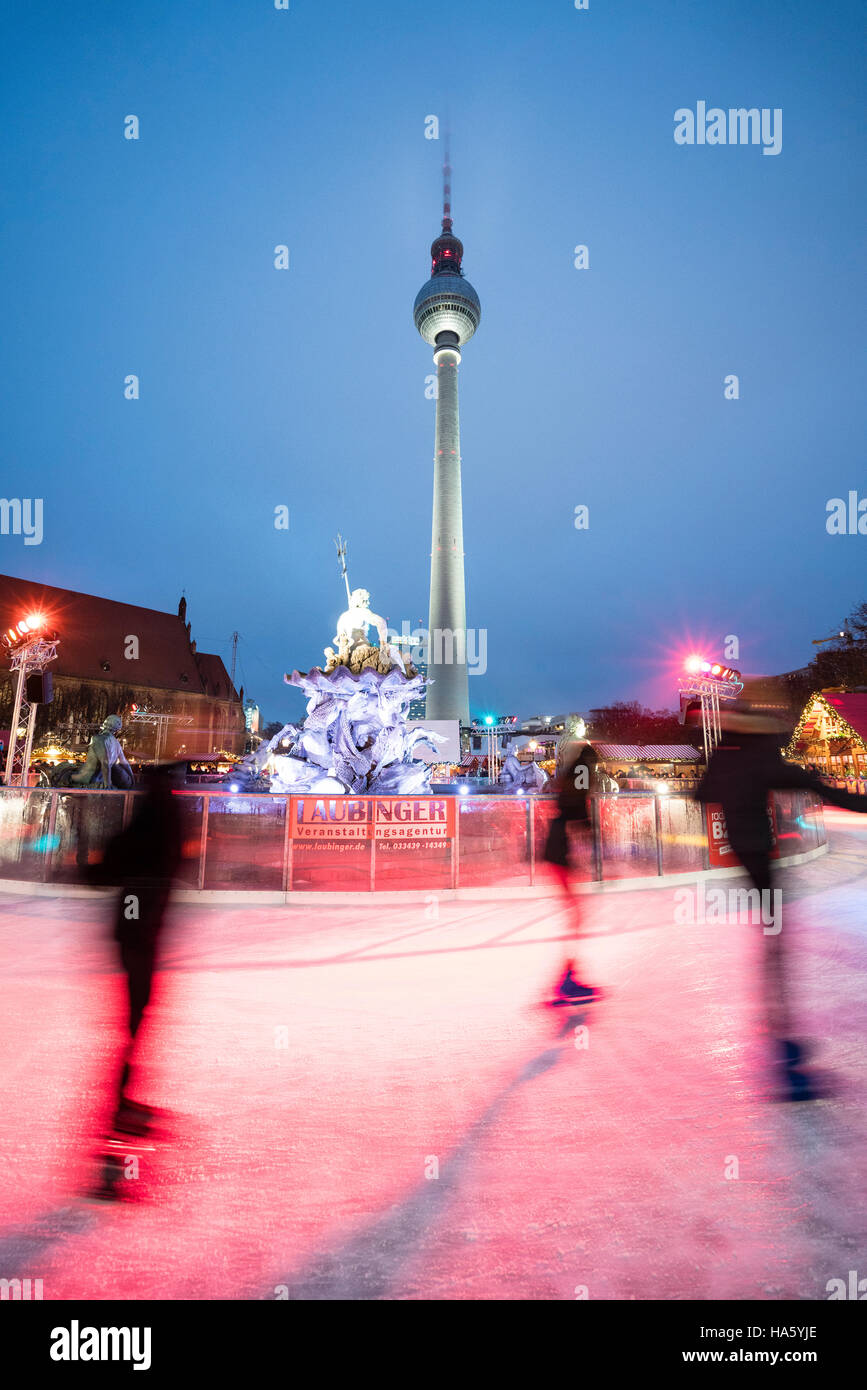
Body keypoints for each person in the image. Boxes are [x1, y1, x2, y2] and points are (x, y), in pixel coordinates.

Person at [696, 704, 867, 1100]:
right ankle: (781, 1037)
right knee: (776, 948)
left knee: (773, 942)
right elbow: (815, 787)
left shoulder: (727, 755)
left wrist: (729, 792)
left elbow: (700, 794)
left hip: (746, 855)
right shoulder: (759, 756)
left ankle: (778, 1030)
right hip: (760, 858)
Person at [89, 763, 184, 1132]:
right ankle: (120, 1105)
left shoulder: (154, 816)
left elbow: (118, 861)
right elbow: (133, 861)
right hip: (140, 930)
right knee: (135, 1017)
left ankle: (123, 1101)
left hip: (138, 929)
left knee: (136, 1017)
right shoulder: (164, 817)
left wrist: (93, 869)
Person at [543, 741, 602, 1004]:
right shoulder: (583, 771)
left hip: (557, 848)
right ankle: (567, 979)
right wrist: (590, 831)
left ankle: (568, 976)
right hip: (559, 849)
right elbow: (575, 806)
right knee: (576, 916)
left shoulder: (572, 772)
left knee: (576, 914)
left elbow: (569, 804)